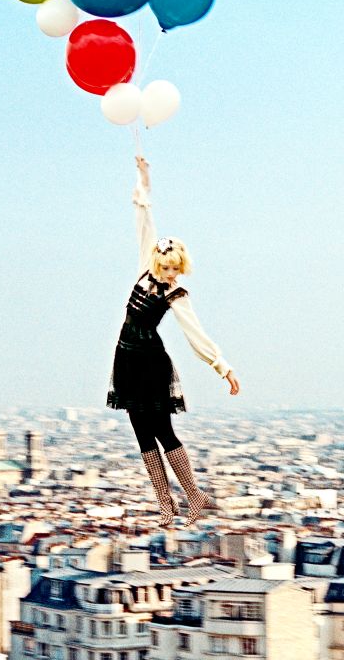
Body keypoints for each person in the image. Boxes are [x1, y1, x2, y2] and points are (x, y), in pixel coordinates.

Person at [106, 155, 240, 527]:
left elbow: (195, 334)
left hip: (149, 363)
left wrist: (222, 367)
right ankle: (167, 504)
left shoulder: (176, 295)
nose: (168, 273)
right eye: (165, 267)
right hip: (127, 360)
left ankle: (194, 496)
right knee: (141, 433)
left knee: (163, 431)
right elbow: (143, 219)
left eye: (174, 269)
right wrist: (144, 179)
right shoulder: (144, 269)